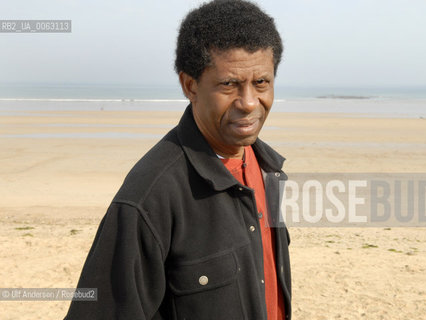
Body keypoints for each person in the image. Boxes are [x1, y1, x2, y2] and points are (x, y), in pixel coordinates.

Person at [64, 0, 291, 319]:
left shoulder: (269, 169)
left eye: (261, 83)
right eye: (229, 84)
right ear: (190, 85)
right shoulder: (148, 199)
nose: (250, 102)